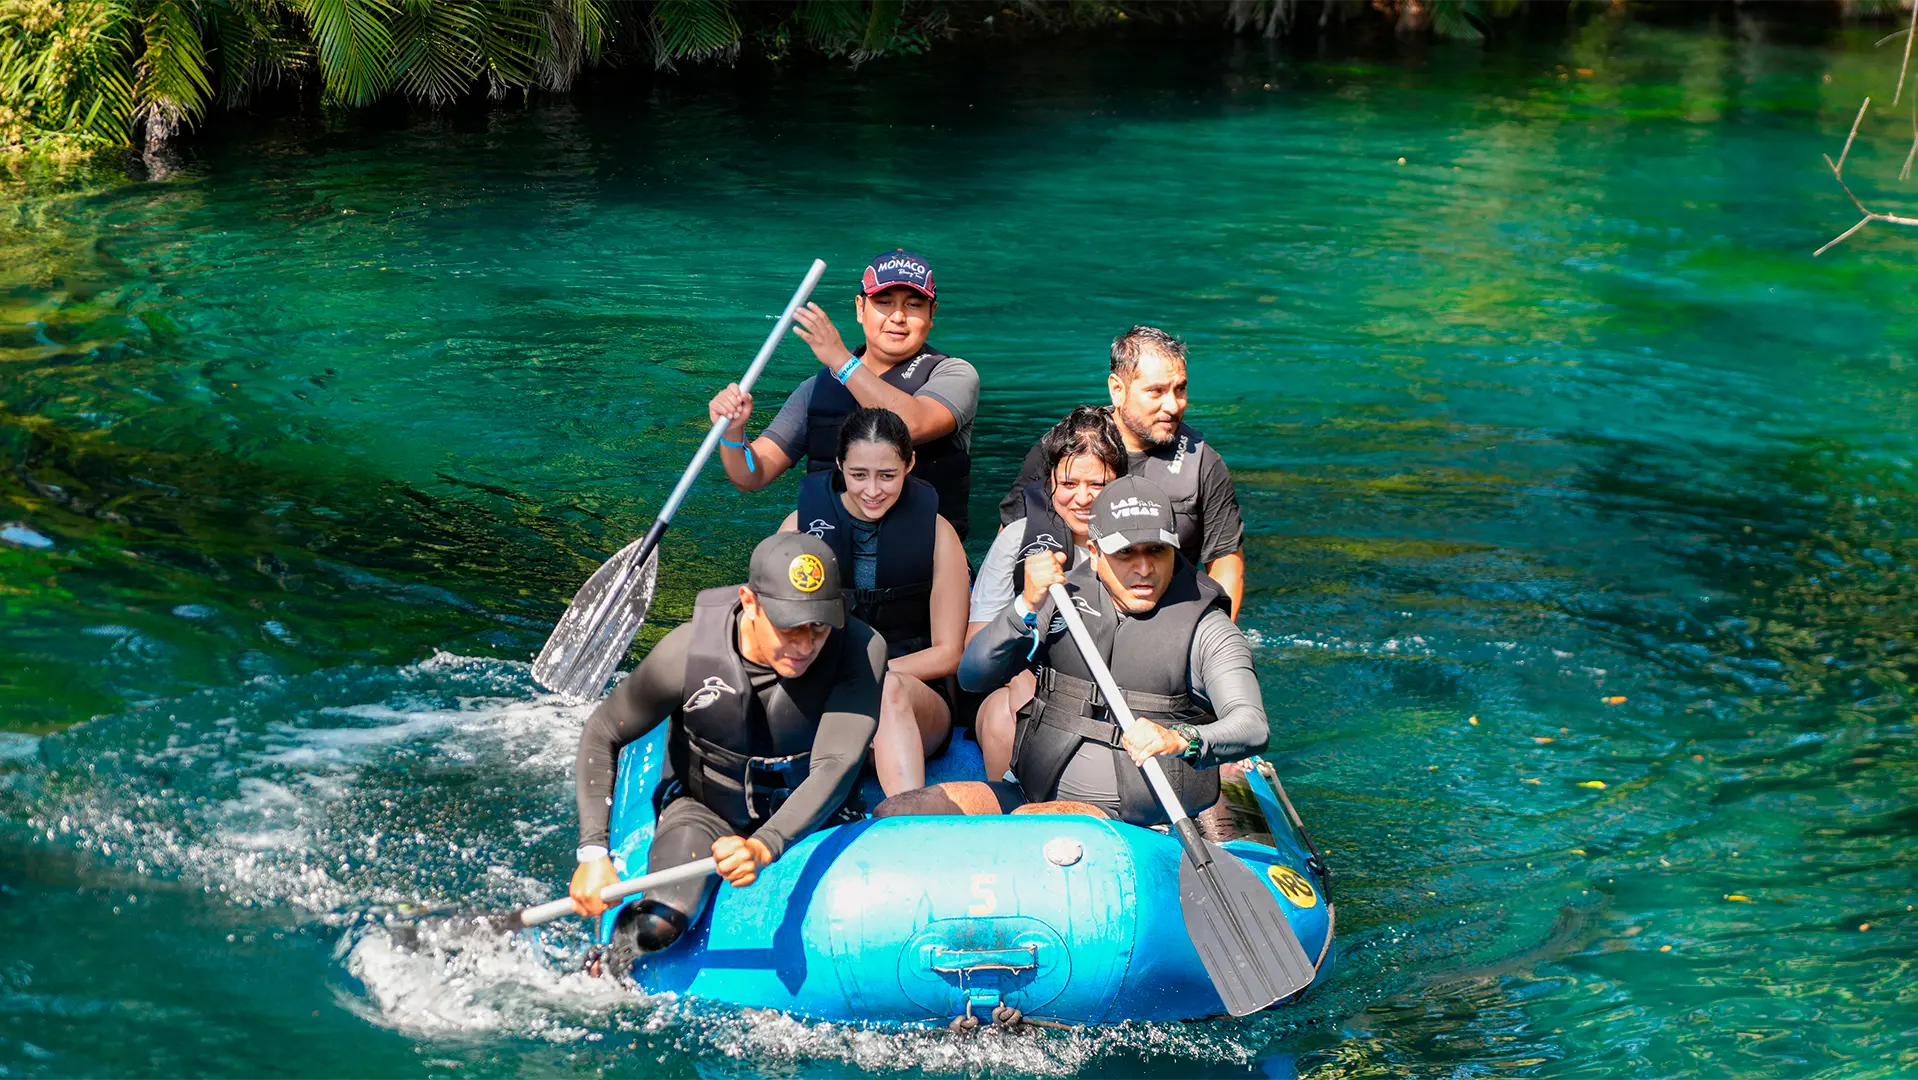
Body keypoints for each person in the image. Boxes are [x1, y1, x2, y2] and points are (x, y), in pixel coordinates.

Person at [569, 533, 886, 966]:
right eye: (789, 626)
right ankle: (607, 966)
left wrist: (764, 845)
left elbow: (836, 766)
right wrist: (592, 853)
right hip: (707, 809)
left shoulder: (860, 651)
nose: (806, 644)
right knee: (655, 926)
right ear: (749, 602)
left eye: (819, 626)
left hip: (818, 816)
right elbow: (604, 730)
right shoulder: (685, 654)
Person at [876, 477, 1268, 826]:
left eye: (1157, 551)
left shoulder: (1206, 626)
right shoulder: (1062, 597)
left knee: (1032, 826)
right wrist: (1024, 607)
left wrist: (1180, 738)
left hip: (1136, 820)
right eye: (1126, 553)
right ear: (1095, 554)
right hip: (1031, 797)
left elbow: (1251, 724)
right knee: (898, 813)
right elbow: (973, 676)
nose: (1144, 568)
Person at [708, 250, 980, 539]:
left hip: (925, 558)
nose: (898, 316)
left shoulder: (954, 375)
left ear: (931, 314)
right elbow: (751, 474)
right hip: (830, 559)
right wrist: (733, 433)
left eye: (913, 304)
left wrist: (840, 360)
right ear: (860, 308)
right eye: (884, 303)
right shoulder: (815, 389)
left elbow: (911, 424)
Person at [776, 407, 968, 797]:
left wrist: (863, 677)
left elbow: (950, 654)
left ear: (910, 464)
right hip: (826, 696)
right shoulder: (798, 529)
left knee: (889, 688)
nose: (872, 490)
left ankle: (905, 814)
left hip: (913, 698)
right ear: (839, 464)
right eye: (859, 475)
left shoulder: (938, 534)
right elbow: (773, 634)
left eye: (887, 475)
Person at [997, 326, 1245, 615]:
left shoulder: (1202, 463)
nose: (1174, 405)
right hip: (1067, 616)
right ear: (1117, 389)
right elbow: (1010, 538)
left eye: (1180, 389)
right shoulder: (1063, 448)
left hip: (1163, 620)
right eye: (1156, 392)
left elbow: (1226, 563)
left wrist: (1217, 644)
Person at [965, 406, 1127, 781]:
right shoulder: (1016, 541)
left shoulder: (1143, 547)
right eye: (1069, 484)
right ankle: (1016, 815)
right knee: (1002, 713)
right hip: (1026, 687)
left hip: (1118, 695)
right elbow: (975, 644)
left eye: (1098, 485)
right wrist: (1018, 674)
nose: (1083, 498)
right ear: (1049, 482)